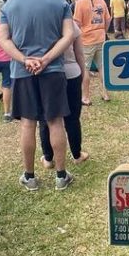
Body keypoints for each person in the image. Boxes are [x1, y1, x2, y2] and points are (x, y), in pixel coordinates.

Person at [0, 0, 75, 191]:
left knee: (28, 124)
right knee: (55, 121)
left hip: (22, 72)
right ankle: (61, 175)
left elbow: (3, 39)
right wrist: (47, 58)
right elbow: (68, 35)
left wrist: (25, 60)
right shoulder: (59, 1)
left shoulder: (10, 4)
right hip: (52, 70)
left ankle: (29, 177)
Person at [38, 17, 87, 167]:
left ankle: (48, 158)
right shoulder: (70, 23)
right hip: (71, 72)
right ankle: (77, 154)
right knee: (73, 117)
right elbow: (79, 53)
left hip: (47, 73)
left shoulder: (41, 22)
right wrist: (83, 72)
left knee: (47, 118)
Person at [73, 0, 110, 105]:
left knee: (85, 69)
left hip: (86, 39)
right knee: (102, 67)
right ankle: (105, 94)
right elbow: (108, 19)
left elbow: (77, 23)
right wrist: (103, 30)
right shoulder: (101, 1)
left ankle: (86, 97)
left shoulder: (80, 3)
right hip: (100, 37)